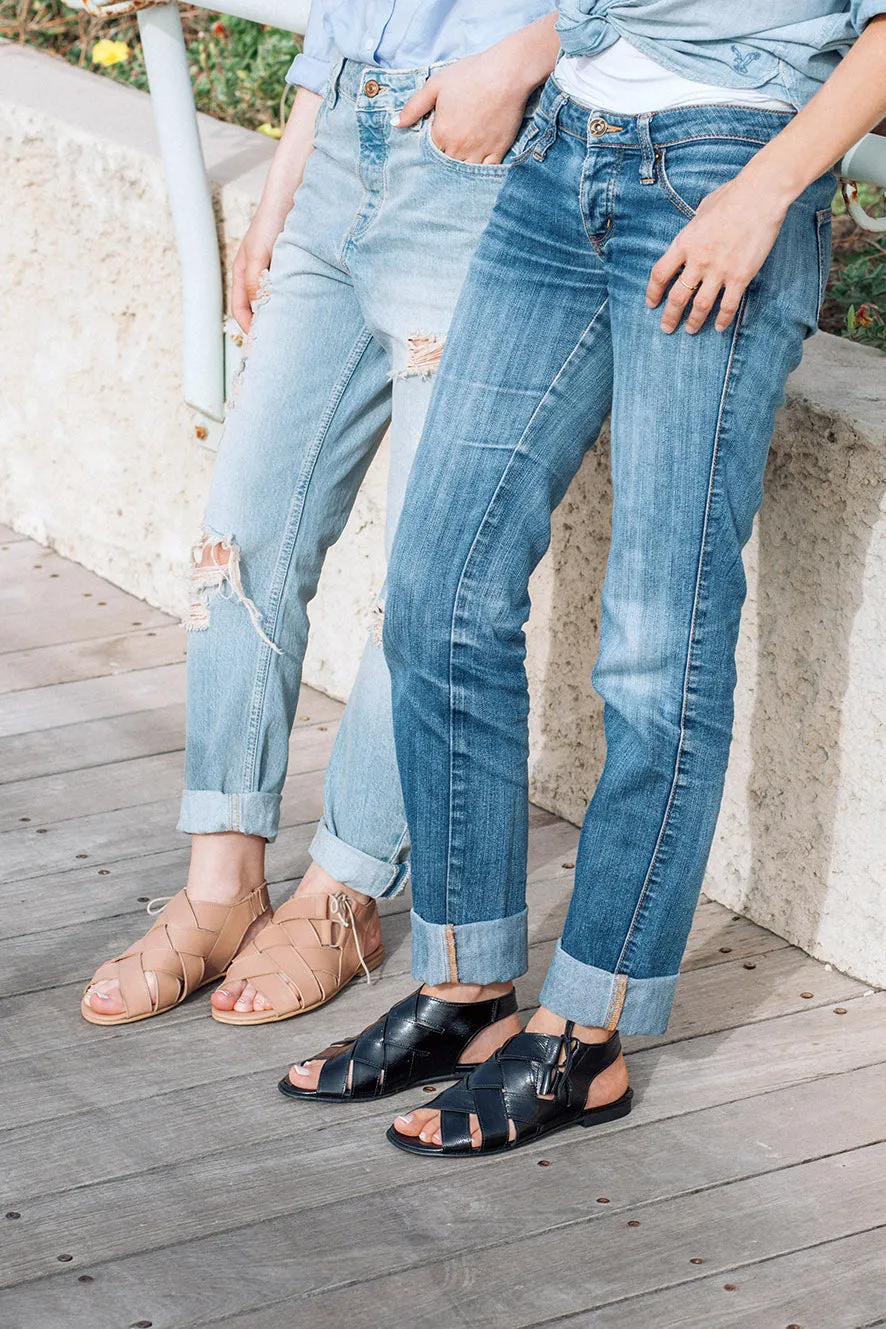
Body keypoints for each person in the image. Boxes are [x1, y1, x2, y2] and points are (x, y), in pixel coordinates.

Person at [283, 2, 886, 1155]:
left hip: (723, 171)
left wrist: (762, 193)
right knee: (436, 592)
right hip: (562, 150)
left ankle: (585, 1034)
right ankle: (467, 986)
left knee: (658, 648)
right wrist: (532, 50)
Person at [81, 2, 561, 1026]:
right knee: (239, 536)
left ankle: (342, 890)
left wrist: (520, 60)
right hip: (343, 142)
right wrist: (286, 183)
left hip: (478, 150)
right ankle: (220, 883)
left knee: (423, 577)